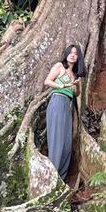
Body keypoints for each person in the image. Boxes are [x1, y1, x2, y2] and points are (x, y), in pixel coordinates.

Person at [43, 44, 86, 180]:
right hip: (57, 102)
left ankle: (60, 177)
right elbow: (47, 81)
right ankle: (51, 178)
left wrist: (78, 86)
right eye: (70, 52)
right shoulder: (59, 67)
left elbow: (76, 94)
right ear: (66, 54)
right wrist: (61, 85)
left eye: (75, 53)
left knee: (66, 142)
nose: (73, 55)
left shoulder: (75, 75)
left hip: (68, 106)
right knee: (57, 140)